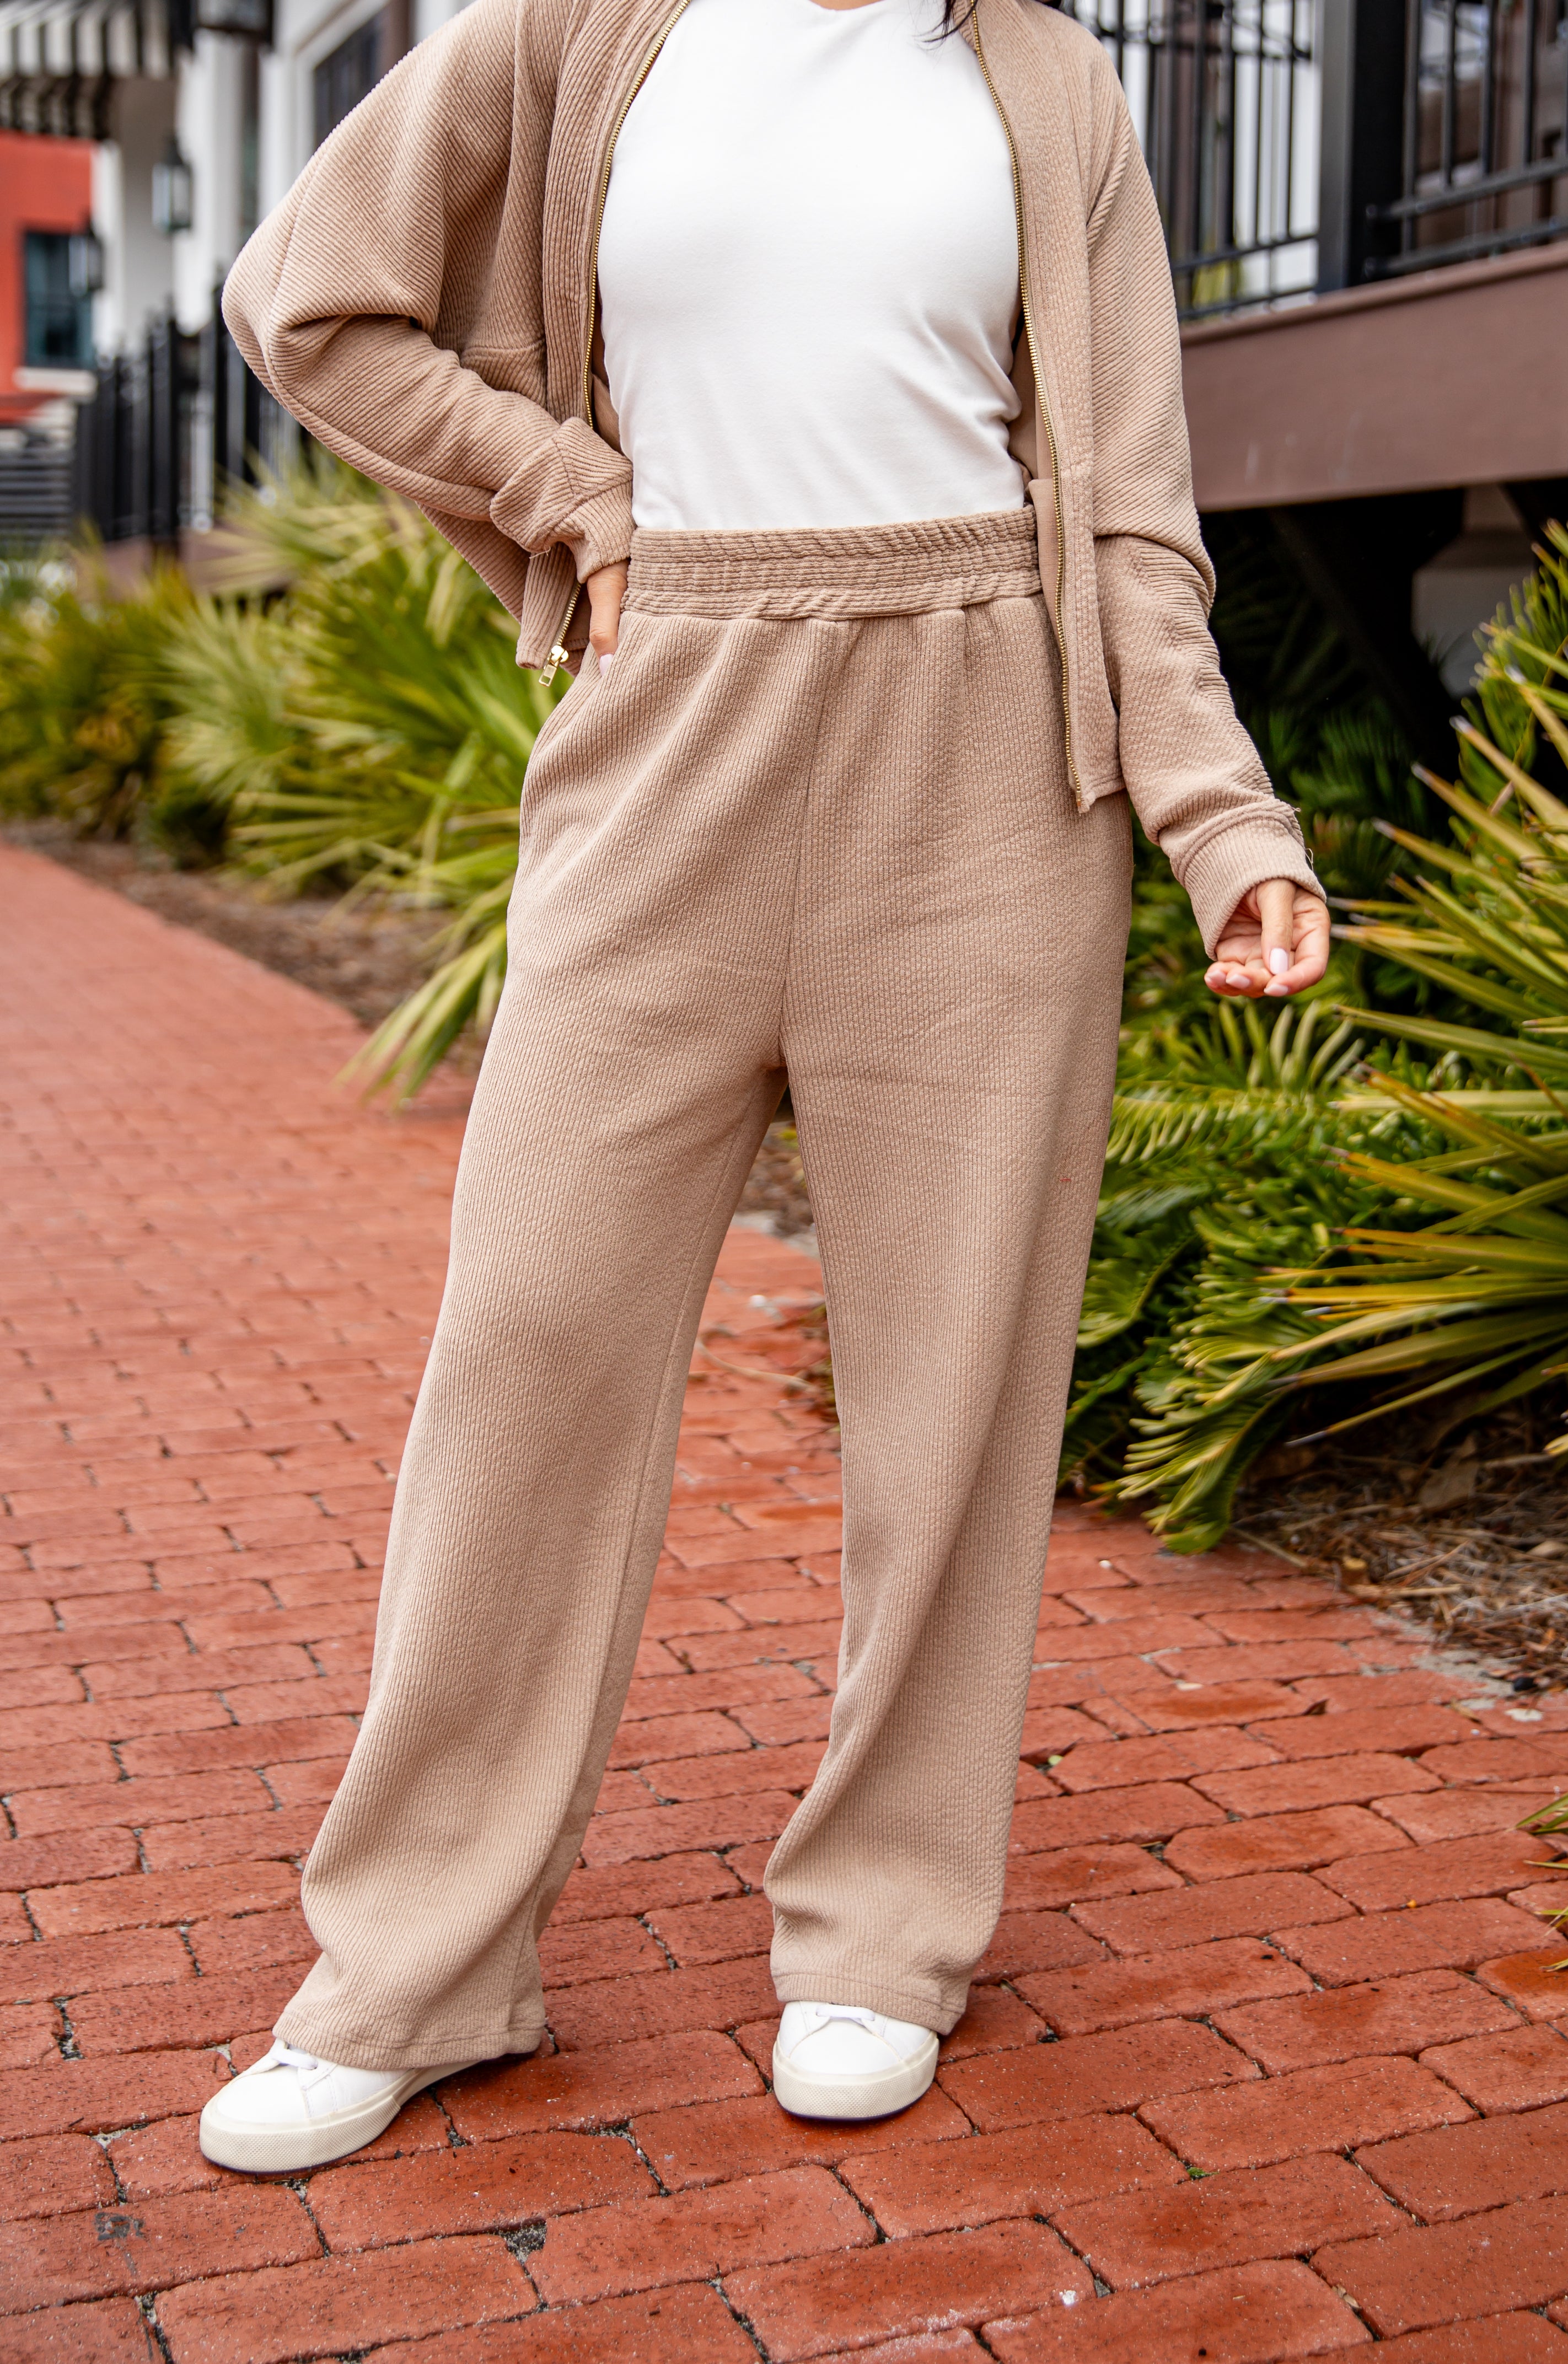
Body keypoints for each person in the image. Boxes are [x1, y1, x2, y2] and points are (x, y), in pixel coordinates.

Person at [200, 0, 1329, 2175]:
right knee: (525, 1344)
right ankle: (415, 1965)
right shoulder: (574, 31)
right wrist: (562, 485)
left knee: (953, 1380)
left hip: (990, 763)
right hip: (667, 727)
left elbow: (1127, 514)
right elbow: (305, 299)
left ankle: (883, 1932)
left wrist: (1226, 823)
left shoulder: (1042, 83)